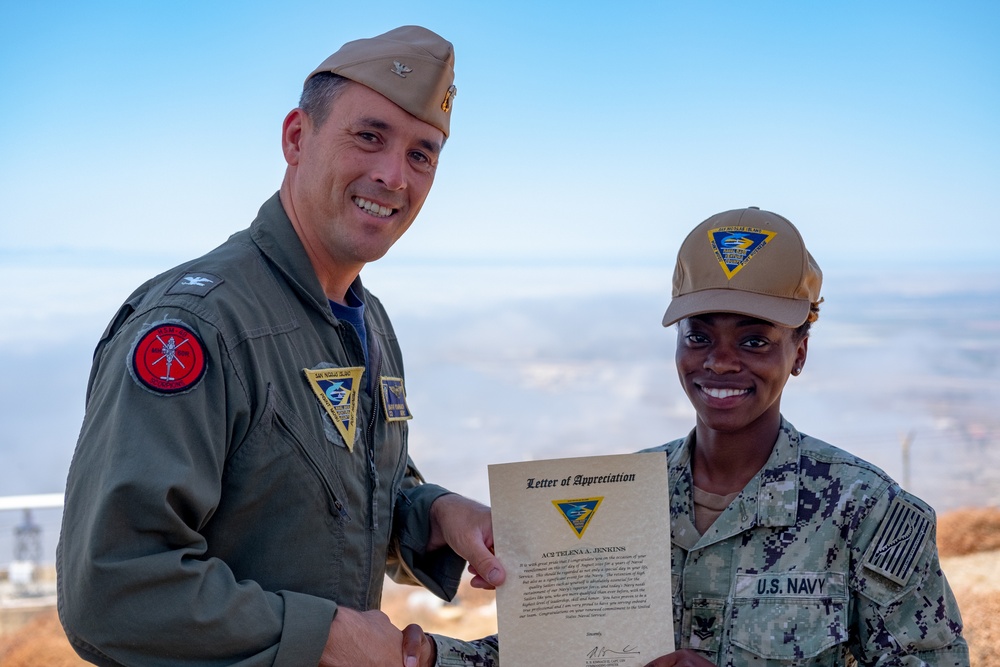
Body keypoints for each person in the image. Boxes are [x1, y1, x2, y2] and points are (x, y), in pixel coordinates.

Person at [57, 25, 504, 667]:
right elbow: (114, 589)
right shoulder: (199, 326)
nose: (392, 176)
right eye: (369, 136)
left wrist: (435, 514)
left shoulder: (365, 318)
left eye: (421, 155)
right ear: (297, 138)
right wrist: (325, 638)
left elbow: (328, 494)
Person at [414, 207, 969, 666]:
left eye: (754, 341)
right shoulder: (615, 498)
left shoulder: (868, 512)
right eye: (698, 336)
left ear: (799, 351)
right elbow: (542, 658)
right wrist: (421, 656)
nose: (721, 362)